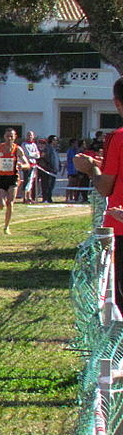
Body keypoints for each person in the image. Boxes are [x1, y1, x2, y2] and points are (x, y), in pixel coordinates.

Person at [77, 77, 123, 310]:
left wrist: (91, 169)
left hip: (119, 225)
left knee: (115, 300)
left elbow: (105, 187)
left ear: (116, 103)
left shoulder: (117, 137)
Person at [0, 128, 25, 234]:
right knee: (1, 205)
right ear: (4, 137)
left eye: (11, 136)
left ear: (15, 137)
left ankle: (6, 226)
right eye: (7, 136)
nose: (9, 138)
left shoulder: (17, 149)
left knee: (10, 203)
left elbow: (27, 163)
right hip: (1, 178)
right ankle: (2, 203)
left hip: (13, 178)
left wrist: (22, 166)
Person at [38, 134, 59, 203]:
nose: (56, 141)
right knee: (46, 185)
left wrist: (58, 166)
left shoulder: (55, 149)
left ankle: (49, 198)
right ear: (52, 141)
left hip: (54, 170)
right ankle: (45, 198)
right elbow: (44, 158)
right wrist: (48, 167)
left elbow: (56, 159)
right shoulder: (47, 148)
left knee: (51, 185)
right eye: (55, 140)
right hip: (48, 170)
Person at [20, 130, 40, 203]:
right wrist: (34, 154)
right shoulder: (24, 144)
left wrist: (34, 154)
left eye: (31, 135)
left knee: (31, 181)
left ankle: (29, 197)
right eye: (28, 135)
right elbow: (27, 154)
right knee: (26, 181)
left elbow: (38, 155)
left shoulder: (34, 145)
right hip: (27, 165)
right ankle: (24, 197)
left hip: (34, 165)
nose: (30, 136)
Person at [65, 138, 80, 202]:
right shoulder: (70, 151)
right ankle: (68, 197)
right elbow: (74, 158)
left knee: (75, 184)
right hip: (71, 170)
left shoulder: (76, 150)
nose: (76, 144)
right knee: (70, 183)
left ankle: (73, 197)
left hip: (76, 169)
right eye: (75, 143)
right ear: (72, 143)